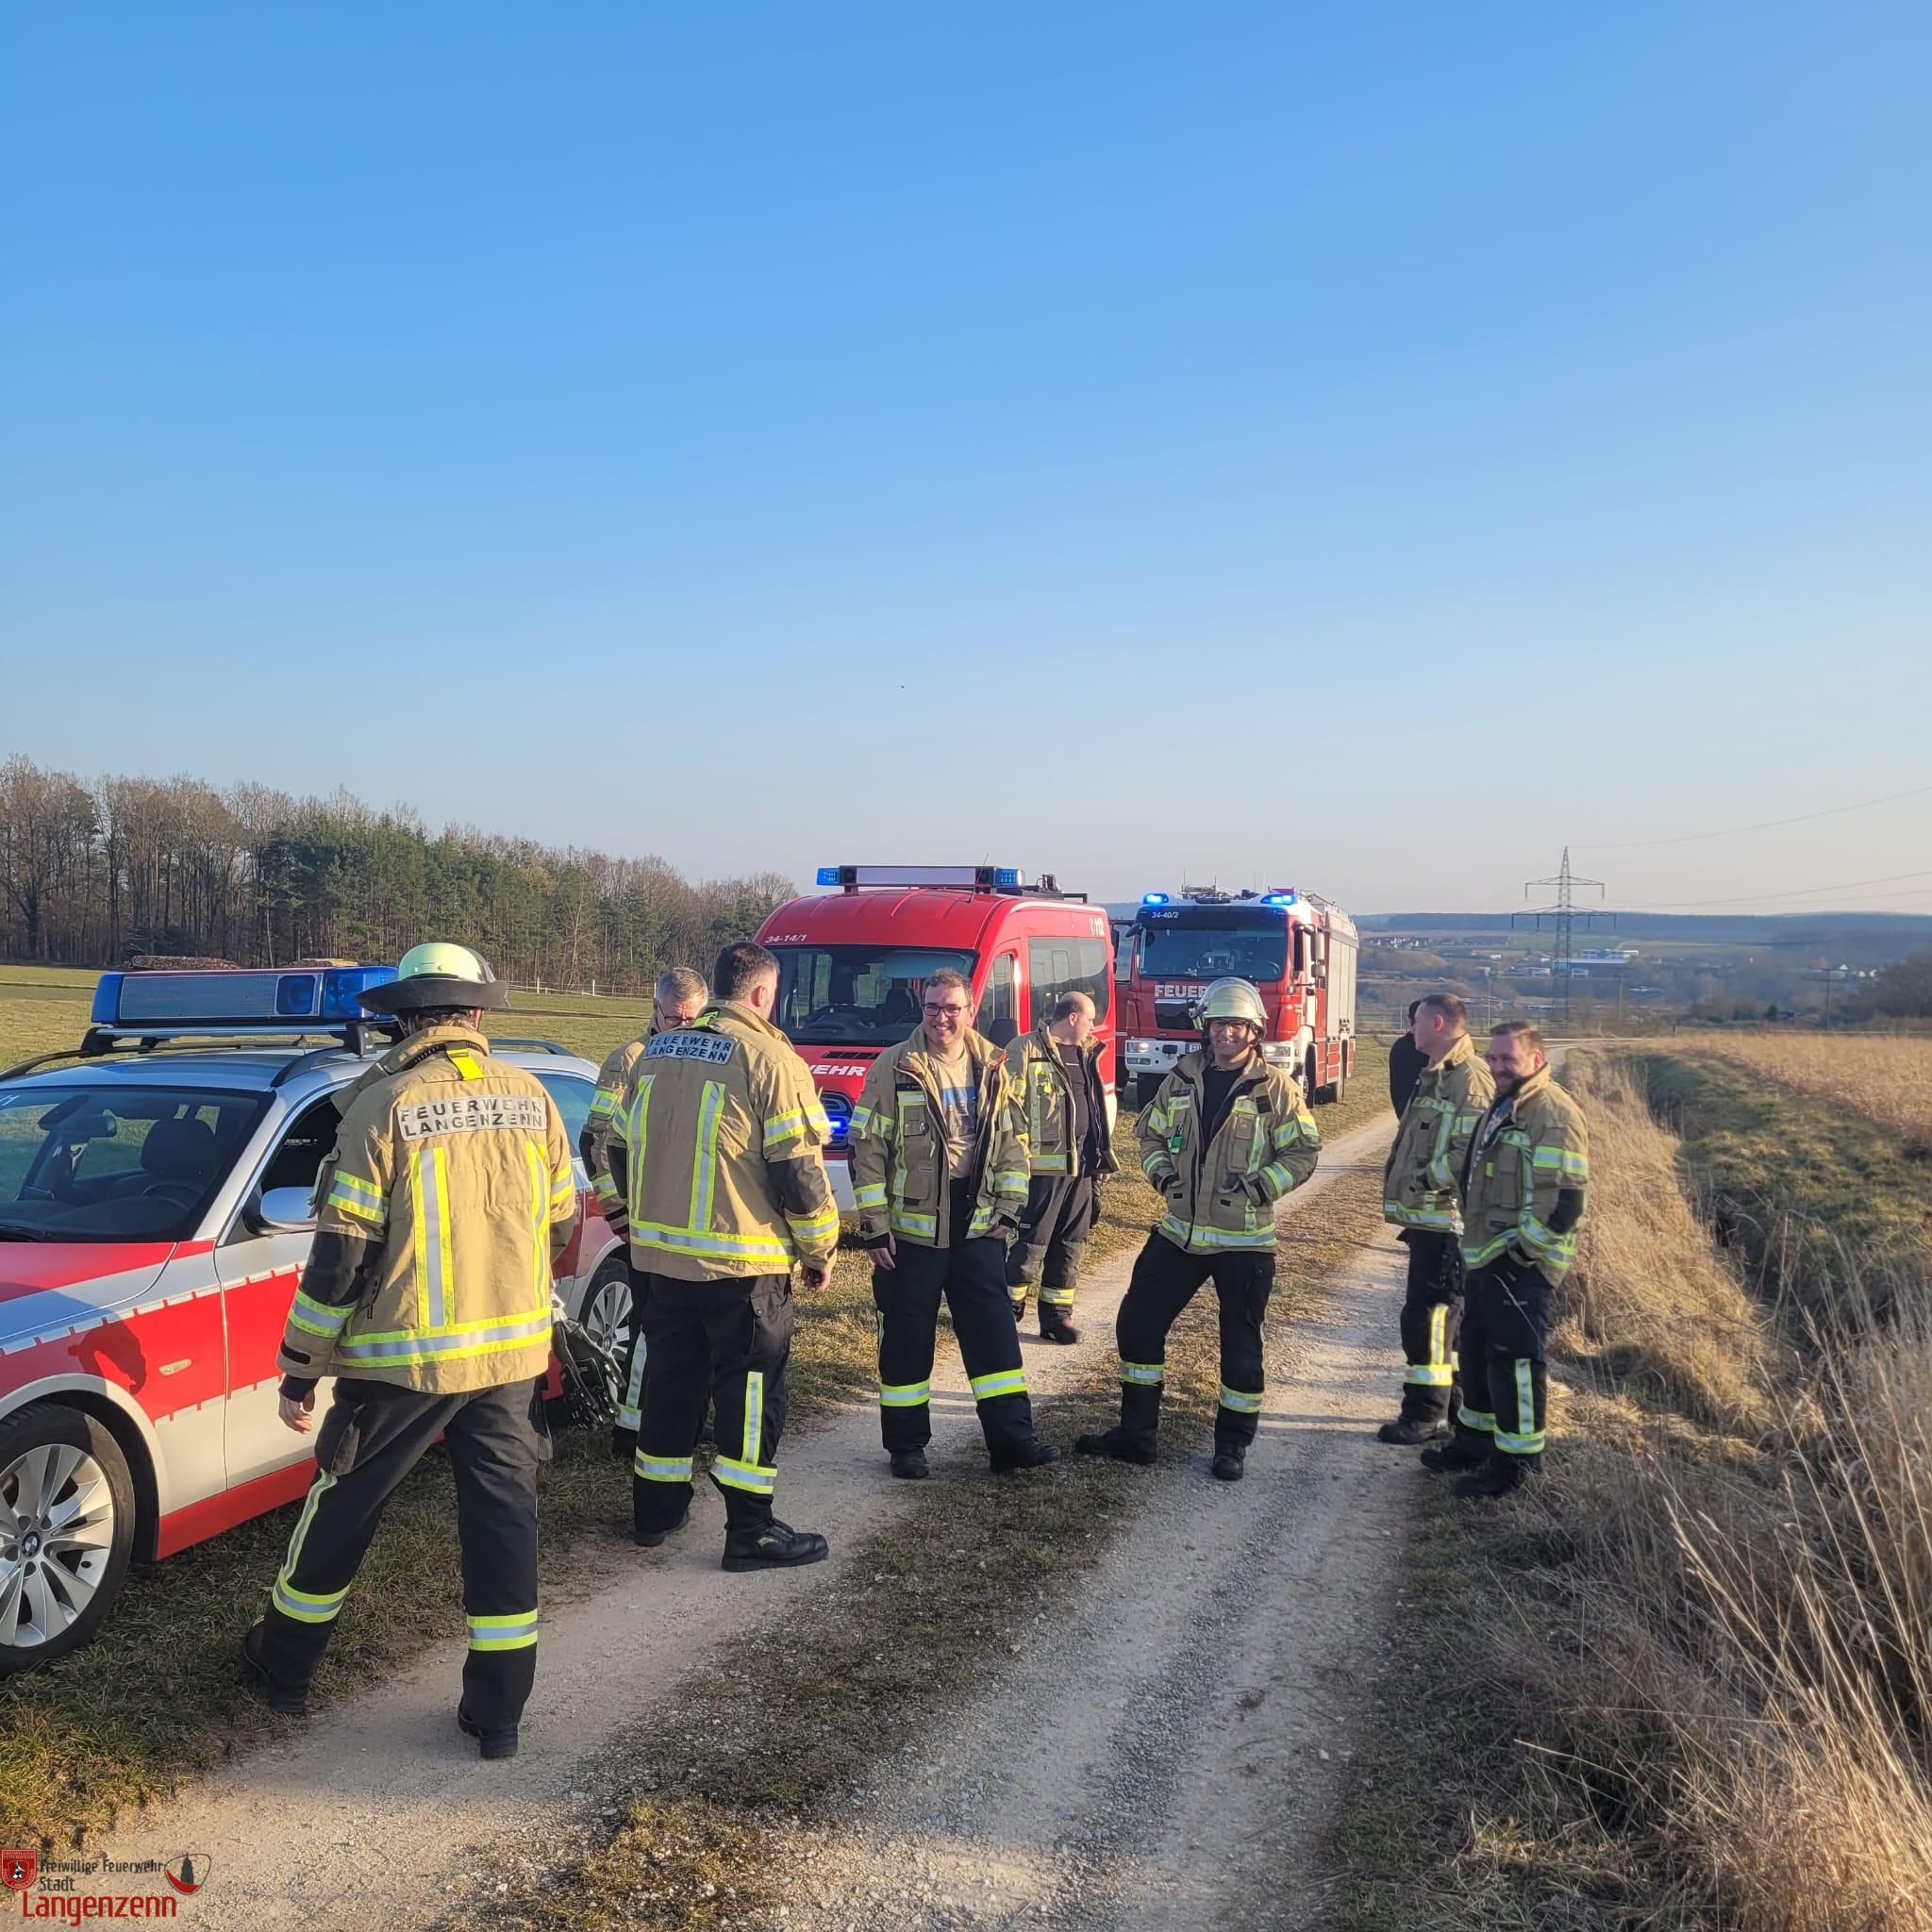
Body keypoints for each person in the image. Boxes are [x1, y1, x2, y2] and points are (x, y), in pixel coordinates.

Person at [241, 943, 575, 1759]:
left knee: (342, 1510)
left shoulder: (382, 1106)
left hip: (401, 1362)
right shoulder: (533, 1097)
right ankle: (498, 1714)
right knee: (504, 1525)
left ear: (401, 1020)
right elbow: (562, 1224)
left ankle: (282, 1668)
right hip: (509, 1360)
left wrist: (300, 1367)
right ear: (477, 1014)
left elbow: (342, 1257)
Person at [604, 941, 840, 1568]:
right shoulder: (771, 1059)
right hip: (742, 1267)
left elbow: (617, 1147)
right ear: (762, 994)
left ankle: (656, 1512)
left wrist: (644, 1217)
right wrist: (819, 1249)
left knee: (670, 1384)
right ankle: (750, 1530)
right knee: (751, 1391)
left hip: (661, 1261)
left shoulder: (655, 1053)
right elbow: (798, 1173)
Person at [1076, 977, 1320, 1482]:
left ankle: (1232, 1445)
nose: (1226, 1033)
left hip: (1244, 1241)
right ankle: (1137, 1436)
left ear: (1254, 1031)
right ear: (1204, 1028)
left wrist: (1260, 1187)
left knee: (1240, 1345)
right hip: (1179, 1234)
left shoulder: (1277, 1089)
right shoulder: (1182, 1078)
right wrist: (1163, 1176)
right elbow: (1150, 1135)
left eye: (1236, 1025)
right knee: (1138, 1324)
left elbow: (1302, 1152)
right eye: (1218, 1024)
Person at [848, 967, 1060, 1479]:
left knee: (994, 1335)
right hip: (912, 1231)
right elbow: (867, 1149)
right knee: (907, 1339)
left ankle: (1012, 1442)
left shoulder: (993, 1064)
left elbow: (1013, 1142)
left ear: (971, 1011)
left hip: (976, 1222)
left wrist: (1008, 1209)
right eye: (932, 1007)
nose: (941, 1018)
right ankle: (906, 1447)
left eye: (951, 1008)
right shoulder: (895, 1065)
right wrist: (874, 1226)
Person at [1420, 1021, 1589, 1498]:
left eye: (1507, 1059)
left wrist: (1522, 1255)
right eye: (1492, 1058)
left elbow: (1563, 1200)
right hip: (1487, 1256)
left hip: (1521, 1265)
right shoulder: (1505, 1103)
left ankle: (1518, 1464)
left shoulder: (1552, 1113)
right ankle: (1475, 1442)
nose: (1497, 1067)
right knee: (1476, 1352)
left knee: (1515, 1362)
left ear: (1536, 1059)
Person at [580, 966, 709, 1441]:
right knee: (651, 1325)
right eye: (675, 1019)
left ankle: (683, 1418)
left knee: (688, 1329)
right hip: (644, 1222)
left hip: (686, 1220)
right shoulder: (631, 1059)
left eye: (694, 1019)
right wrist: (619, 1215)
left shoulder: (706, 1056)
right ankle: (631, 1428)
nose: (684, 1028)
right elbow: (596, 1141)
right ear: (655, 1010)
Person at [1376, 993, 1494, 1444]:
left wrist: (1427, 1179)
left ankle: (1426, 1414)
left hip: (1448, 1223)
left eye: (1417, 1022)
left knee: (1431, 1319)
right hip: (1431, 1223)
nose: (1412, 1031)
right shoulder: (1439, 1074)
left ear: (1439, 1024)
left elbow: (1473, 1151)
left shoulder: (1469, 1079)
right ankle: (1452, 1409)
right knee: (1442, 1319)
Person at [1003, 990, 1117, 1343]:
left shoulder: (1088, 1053)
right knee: (1030, 1243)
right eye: (1090, 1019)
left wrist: (1100, 1156)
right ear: (1072, 1017)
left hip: (1081, 1168)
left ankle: (1056, 1317)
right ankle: (1004, 1312)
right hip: (1040, 1170)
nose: (1093, 1026)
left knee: (1071, 1243)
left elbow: (1094, 1108)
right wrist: (1018, 1155)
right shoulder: (1025, 1050)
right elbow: (1008, 1106)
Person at [1388, 1000, 1426, 1115]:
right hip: (1424, 1114)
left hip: (1404, 1109)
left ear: (1410, 1020)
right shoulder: (1431, 1047)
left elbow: (1395, 1086)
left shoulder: (1400, 1045)